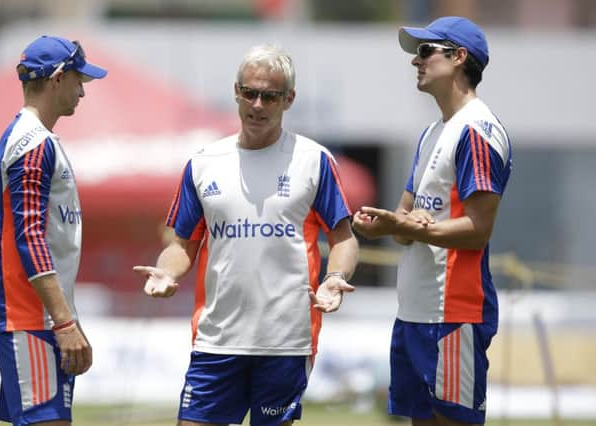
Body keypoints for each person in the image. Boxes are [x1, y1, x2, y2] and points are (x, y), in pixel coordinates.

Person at [134, 44, 359, 426]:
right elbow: (183, 244)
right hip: (216, 338)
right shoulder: (204, 163)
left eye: (269, 96)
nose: (257, 104)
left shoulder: (313, 160)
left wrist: (334, 279)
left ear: (289, 99)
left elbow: (344, 238)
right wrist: (167, 273)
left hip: (287, 342)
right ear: (235, 91)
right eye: (249, 93)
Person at [352, 17, 512, 426]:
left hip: (454, 313)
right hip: (415, 311)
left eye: (425, 51)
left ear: (459, 58)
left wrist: (402, 227)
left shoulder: (476, 130)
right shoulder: (430, 133)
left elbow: (478, 230)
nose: (415, 61)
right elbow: (404, 220)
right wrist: (386, 224)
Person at [0, 35, 107, 426]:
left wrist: (65, 314)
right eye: (78, 80)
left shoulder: (35, 139)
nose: (82, 92)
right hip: (29, 316)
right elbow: (31, 236)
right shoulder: (33, 143)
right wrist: (64, 321)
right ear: (57, 79)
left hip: (37, 317)